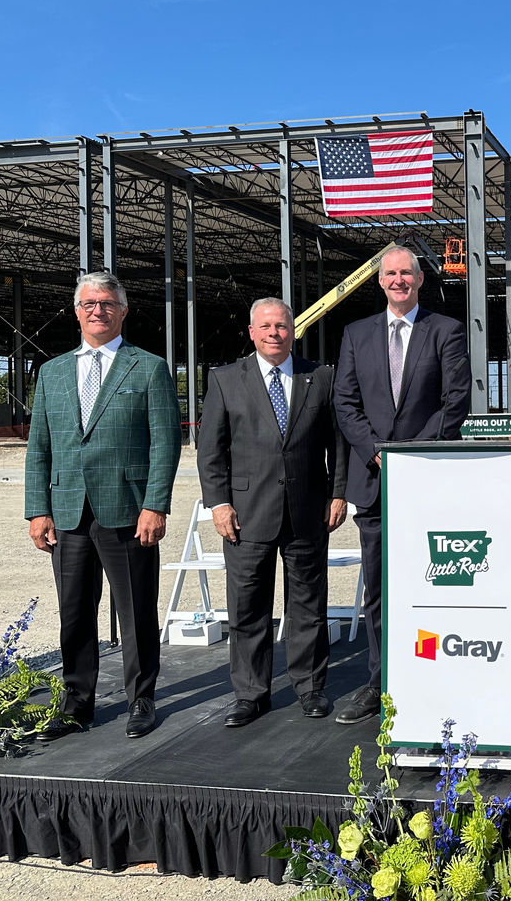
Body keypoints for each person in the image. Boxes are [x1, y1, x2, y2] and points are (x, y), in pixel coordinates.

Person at [24, 271, 182, 741]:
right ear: (76, 311)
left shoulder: (148, 368)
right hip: (68, 509)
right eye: (89, 303)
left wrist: (156, 504)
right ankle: (77, 703)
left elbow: (165, 443)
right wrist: (37, 508)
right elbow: (39, 447)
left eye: (108, 303)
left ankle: (142, 698)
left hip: (128, 510)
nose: (98, 310)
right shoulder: (51, 372)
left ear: (123, 312)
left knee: (135, 609)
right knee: (74, 610)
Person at [332, 245, 471, 724]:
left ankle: (431, 675)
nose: (398, 280)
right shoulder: (355, 334)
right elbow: (345, 403)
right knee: (379, 589)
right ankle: (380, 682)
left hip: (427, 481)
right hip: (373, 483)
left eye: (406, 273)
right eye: (389, 273)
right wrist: (376, 451)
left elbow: (456, 403)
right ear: (380, 281)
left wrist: (412, 456)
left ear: (419, 279)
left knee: (431, 584)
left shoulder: (446, 331)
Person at [196, 298, 348, 727]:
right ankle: (250, 693)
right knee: (247, 608)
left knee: (308, 605)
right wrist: (219, 504)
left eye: (282, 326)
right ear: (251, 331)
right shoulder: (226, 379)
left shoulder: (320, 377)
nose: (274, 333)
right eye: (265, 326)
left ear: (293, 331)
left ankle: (309, 686)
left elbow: (336, 445)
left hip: (307, 511)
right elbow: (211, 452)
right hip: (245, 514)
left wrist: (338, 494)